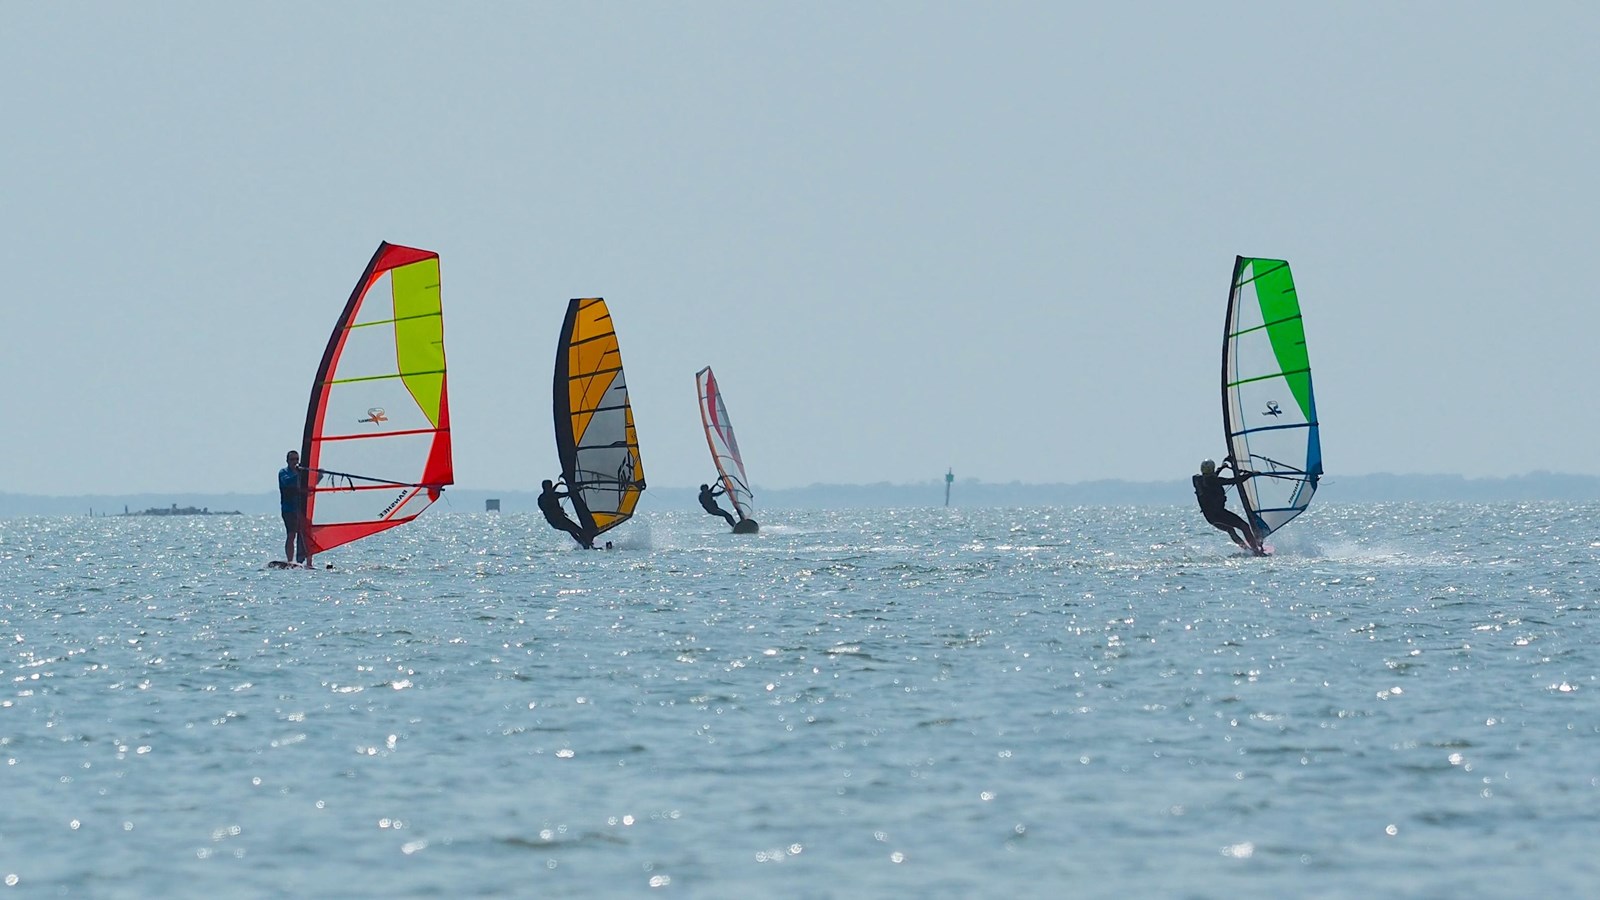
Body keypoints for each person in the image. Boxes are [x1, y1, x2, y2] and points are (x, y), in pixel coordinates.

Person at [1193, 457, 1263, 554]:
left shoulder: (1197, 479)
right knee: (1244, 526)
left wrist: (1221, 468)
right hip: (1219, 514)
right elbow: (1234, 480)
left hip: (1210, 517)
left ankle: (1248, 550)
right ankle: (1255, 551)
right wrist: (1251, 474)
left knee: (1231, 530)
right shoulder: (1213, 481)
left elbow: (1211, 478)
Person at [278, 450, 313, 567]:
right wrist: (299, 473)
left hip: (301, 509)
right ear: (287, 461)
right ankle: (290, 561)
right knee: (291, 534)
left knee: (307, 534)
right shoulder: (283, 473)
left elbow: (311, 484)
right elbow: (288, 482)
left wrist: (318, 475)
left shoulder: (302, 473)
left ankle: (309, 563)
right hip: (289, 510)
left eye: (297, 459)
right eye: (292, 459)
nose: (295, 462)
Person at [539, 478, 595, 549]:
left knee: (572, 531)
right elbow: (568, 494)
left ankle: (583, 543)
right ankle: (588, 545)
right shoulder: (552, 496)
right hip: (559, 521)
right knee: (579, 530)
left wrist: (557, 485)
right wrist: (579, 489)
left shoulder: (541, 498)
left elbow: (549, 493)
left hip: (553, 522)